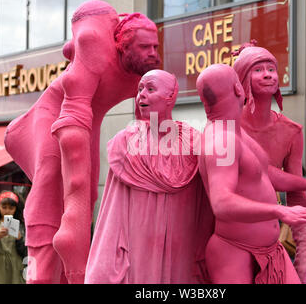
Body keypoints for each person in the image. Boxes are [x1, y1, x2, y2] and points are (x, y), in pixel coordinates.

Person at [4, 0, 160, 283]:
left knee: (86, 195)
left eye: (155, 47)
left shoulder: (144, 74)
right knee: (56, 187)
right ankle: (40, 276)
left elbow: (149, 126)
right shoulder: (95, 49)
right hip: (50, 118)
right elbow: (72, 122)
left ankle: (67, 274)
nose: (152, 54)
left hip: (90, 121)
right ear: (124, 46)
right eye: (145, 47)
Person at [195, 64, 306, 284]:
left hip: (271, 250)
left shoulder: (234, 131)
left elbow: (264, 173)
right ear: (238, 89)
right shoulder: (222, 140)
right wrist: (279, 211)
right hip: (235, 253)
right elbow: (222, 203)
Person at [85, 70, 214, 284]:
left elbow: (206, 205)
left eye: (150, 89)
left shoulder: (194, 142)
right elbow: (112, 211)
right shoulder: (126, 143)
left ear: (171, 96)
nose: (141, 95)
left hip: (183, 248)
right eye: (139, 89)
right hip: (138, 252)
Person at [233, 41, 306, 283]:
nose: (268, 74)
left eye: (271, 68)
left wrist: (304, 254)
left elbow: (297, 191)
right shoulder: (227, 124)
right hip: (228, 231)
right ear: (242, 78)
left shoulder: (292, 131)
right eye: (258, 69)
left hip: (270, 234)